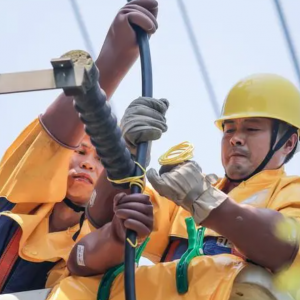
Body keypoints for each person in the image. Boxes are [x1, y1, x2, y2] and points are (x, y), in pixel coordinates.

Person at [54, 73, 300, 300]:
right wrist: (123, 153)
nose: (235, 138)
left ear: (288, 143)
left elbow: (284, 247)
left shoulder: (288, 191)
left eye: (252, 128)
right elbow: (97, 228)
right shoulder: (178, 198)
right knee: (76, 288)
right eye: (229, 130)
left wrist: (206, 201)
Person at [0, 0, 158, 294]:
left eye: (101, 159)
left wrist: (122, 233)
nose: (87, 164)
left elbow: (96, 254)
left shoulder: (87, 245)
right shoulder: (15, 195)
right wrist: (115, 56)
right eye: (81, 151)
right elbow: (52, 139)